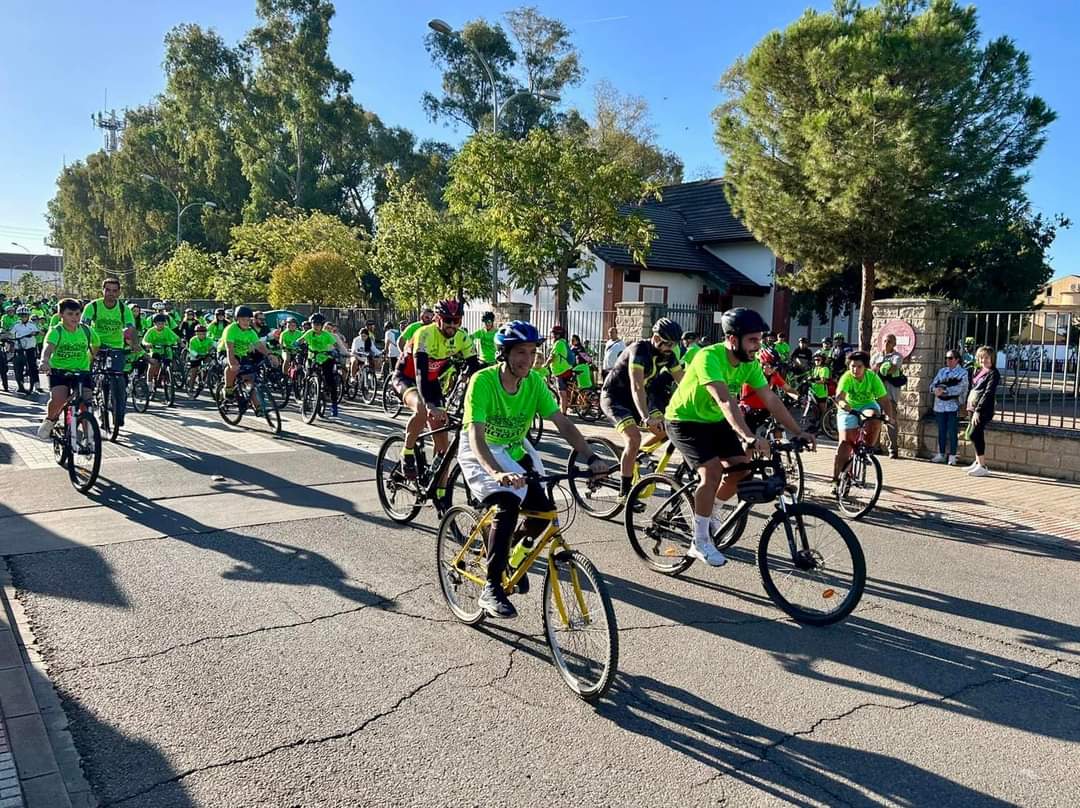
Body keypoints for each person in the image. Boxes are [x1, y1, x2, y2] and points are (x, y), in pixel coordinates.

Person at [458, 320, 609, 619]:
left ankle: (508, 557)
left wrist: (590, 458)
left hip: (514, 449)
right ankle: (491, 587)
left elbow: (562, 422)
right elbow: (476, 436)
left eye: (531, 352)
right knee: (507, 503)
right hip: (481, 451)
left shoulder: (534, 382)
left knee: (543, 512)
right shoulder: (484, 381)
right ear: (504, 353)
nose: (527, 359)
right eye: (519, 352)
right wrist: (496, 473)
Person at [665, 308, 814, 566]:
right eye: (752, 340)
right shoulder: (708, 357)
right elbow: (724, 400)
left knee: (741, 472)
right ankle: (699, 542)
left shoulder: (749, 364)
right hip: (684, 420)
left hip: (714, 422)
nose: (758, 346)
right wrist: (746, 436)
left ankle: (710, 514)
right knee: (711, 472)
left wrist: (798, 431)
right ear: (733, 339)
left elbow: (770, 399)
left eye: (759, 340)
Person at [393, 300, 478, 498]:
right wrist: (431, 405)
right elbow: (421, 371)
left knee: (443, 448)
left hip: (431, 383)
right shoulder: (424, 334)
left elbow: (475, 369)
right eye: (448, 320)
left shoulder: (462, 337)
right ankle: (407, 452)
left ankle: (441, 495)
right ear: (438, 319)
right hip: (407, 378)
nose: (453, 325)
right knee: (422, 409)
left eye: (457, 320)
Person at [600, 318, 684, 501]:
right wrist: (646, 417)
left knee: (668, 429)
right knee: (633, 437)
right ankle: (624, 493)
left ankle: (636, 454)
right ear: (655, 337)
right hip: (615, 398)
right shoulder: (639, 350)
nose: (671, 348)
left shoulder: (669, 355)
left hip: (640, 398)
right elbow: (637, 385)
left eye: (675, 344)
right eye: (668, 343)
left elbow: (684, 383)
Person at [37, 298, 100, 441]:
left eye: (77, 314)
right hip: (60, 370)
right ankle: (50, 421)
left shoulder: (86, 330)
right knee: (59, 399)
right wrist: (44, 361)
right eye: (70, 314)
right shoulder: (57, 331)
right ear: (61, 315)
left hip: (82, 371)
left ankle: (88, 434)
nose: (75, 318)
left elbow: (96, 344)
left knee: (86, 401)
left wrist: (91, 358)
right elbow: (48, 348)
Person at [82, 278, 137, 428]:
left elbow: (131, 326)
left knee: (119, 380)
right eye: (108, 290)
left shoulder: (123, 308)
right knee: (84, 373)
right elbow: (84, 326)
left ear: (119, 292)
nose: (111, 294)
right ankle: (89, 400)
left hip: (116, 347)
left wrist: (129, 335)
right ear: (103, 291)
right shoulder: (92, 306)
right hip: (96, 345)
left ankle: (119, 413)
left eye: (114, 291)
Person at [832, 351, 890, 493]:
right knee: (845, 444)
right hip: (848, 408)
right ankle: (836, 480)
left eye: (859, 367)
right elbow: (839, 397)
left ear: (865, 367)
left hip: (867, 405)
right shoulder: (846, 378)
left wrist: (889, 416)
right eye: (852, 366)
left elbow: (883, 399)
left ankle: (868, 447)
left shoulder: (872, 377)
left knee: (875, 417)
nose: (855, 370)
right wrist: (845, 406)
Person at [221, 305, 280, 400]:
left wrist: (270, 355)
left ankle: (258, 408)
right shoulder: (231, 329)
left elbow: (259, 345)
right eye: (243, 320)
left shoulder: (250, 332)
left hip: (242, 354)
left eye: (248, 320)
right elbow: (229, 349)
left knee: (250, 378)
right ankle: (228, 388)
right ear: (238, 319)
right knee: (232, 368)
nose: (246, 322)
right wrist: (232, 362)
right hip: (225, 352)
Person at [739, 346, 797, 437]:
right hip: (749, 409)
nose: (773, 369)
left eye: (775, 367)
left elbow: (788, 389)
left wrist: (798, 397)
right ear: (762, 363)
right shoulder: (751, 373)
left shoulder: (774, 375)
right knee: (749, 440)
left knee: (778, 431)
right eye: (770, 366)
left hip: (765, 409)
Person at [965, 346, 999, 477]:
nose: (983, 360)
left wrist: (978, 410)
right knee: (977, 435)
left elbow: (988, 393)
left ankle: (983, 466)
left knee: (974, 434)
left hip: (983, 409)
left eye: (986, 357)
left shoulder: (993, 373)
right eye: (981, 357)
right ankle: (978, 461)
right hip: (972, 406)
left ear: (992, 358)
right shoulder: (978, 370)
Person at [930, 350, 969, 464]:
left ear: (957, 359)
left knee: (952, 431)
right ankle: (941, 454)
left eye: (950, 358)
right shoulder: (942, 371)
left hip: (953, 406)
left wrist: (944, 391)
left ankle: (952, 456)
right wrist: (935, 390)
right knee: (941, 430)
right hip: (939, 406)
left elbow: (961, 388)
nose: (948, 360)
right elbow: (933, 385)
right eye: (946, 358)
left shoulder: (963, 373)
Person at [299, 313, 341, 418]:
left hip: (325, 358)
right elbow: (301, 340)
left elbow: (335, 345)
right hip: (312, 358)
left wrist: (334, 351)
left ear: (322, 325)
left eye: (318, 324)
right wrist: (297, 344)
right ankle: (305, 399)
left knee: (330, 382)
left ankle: (334, 406)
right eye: (314, 324)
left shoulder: (327, 335)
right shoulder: (309, 333)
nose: (316, 326)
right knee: (306, 377)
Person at [872, 334, 905, 459]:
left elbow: (892, 368)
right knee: (875, 421)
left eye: (889, 341)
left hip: (890, 395)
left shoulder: (897, 356)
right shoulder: (876, 356)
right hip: (876, 396)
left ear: (894, 344)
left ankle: (893, 449)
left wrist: (881, 367)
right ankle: (875, 446)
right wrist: (881, 367)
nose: (886, 343)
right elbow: (873, 370)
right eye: (885, 341)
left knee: (891, 422)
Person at [143, 313, 179, 393]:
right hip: (155, 351)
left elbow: (175, 337)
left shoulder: (167, 329)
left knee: (168, 363)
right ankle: (149, 382)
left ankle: (167, 377)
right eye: (159, 324)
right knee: (153, 364)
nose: (161, 325)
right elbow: (144, 340)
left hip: (166, 350)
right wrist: (147, 344)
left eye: (163, 323)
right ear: (154, 324)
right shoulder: (151, 331)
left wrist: (180, 342)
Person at [11, 306, 41, 395]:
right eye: (21, 315)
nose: (23, 317)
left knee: (32, 366)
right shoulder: (16, 325)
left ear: (28, 316)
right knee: (18, 367)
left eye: (25, 315)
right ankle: (20, 385)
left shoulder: (32, 325)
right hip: (19, 348)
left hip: (30, 348)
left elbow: (38, 332)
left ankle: (36, 384)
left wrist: (34, 333)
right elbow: (11, 334)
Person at [545, 324, 574, 414]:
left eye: (553, 334)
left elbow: (552, 357)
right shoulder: (563, 342)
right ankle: (565, 407)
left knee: (562, 392)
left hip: (561, 371)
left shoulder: (558, 343)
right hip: (566, 369)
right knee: (565, 390)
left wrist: (544, 365)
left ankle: (563, 412)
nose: (552, 335)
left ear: (557, 334)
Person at [186, 324, 215, 390]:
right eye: (199, 334)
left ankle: (207, 379)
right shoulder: (193, 340)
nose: (202, 335)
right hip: (195, 356)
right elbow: (191, 349)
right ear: (196, 334)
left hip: (205, 355)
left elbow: (215, 345)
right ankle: (191, 386)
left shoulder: (209, 339)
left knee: (210, 364)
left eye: (203, 333)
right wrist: (196, 355)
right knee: (194, 370)